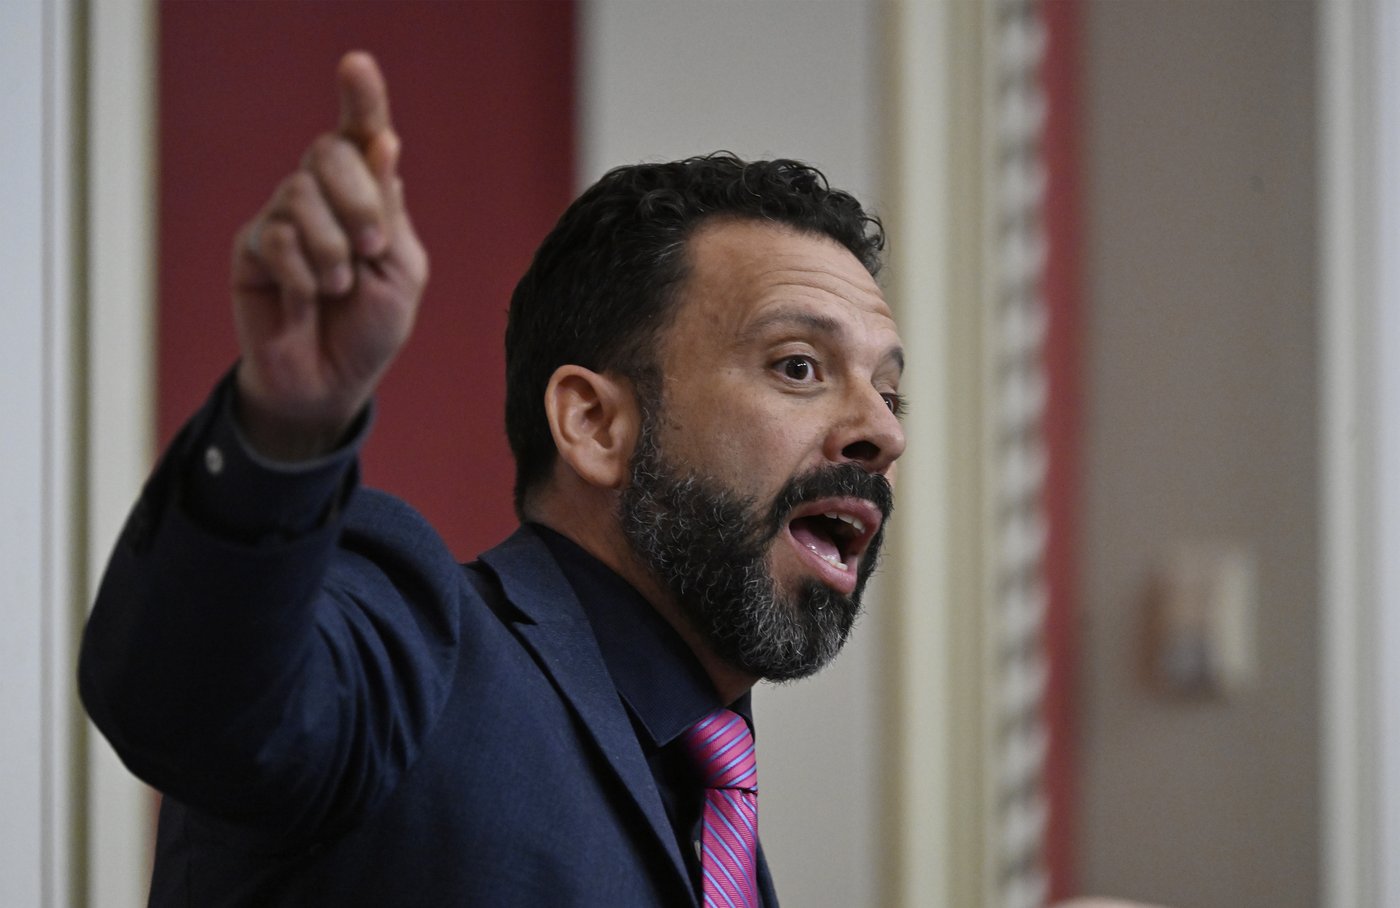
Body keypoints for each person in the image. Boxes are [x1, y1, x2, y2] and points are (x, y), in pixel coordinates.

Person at [79, 51, 906, 907]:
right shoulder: (417, 655)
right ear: (595, 425)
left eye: (889, 393)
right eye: (799, 366)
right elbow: (189, 701)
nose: (883, 433)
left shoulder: (717, 816)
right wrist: (284, 425)